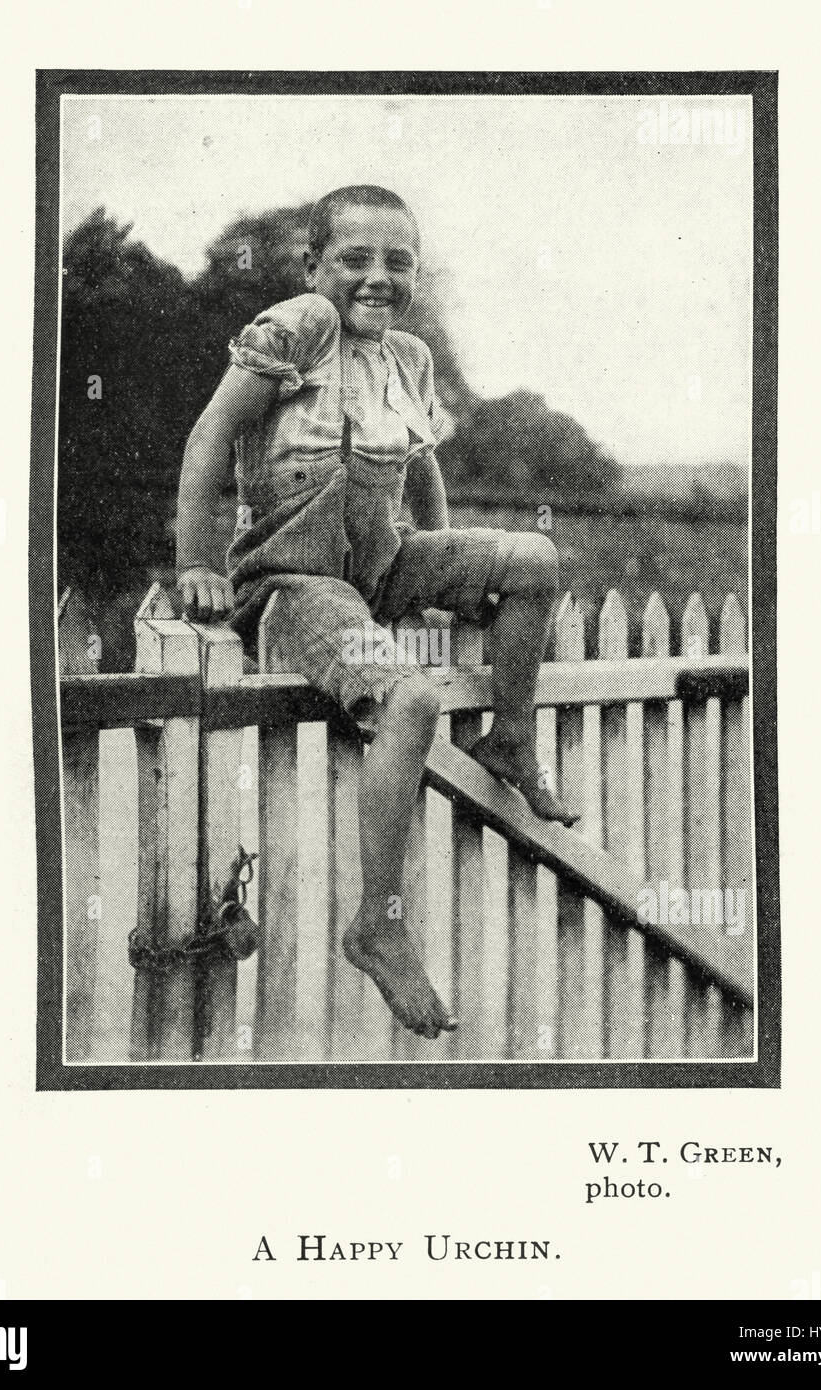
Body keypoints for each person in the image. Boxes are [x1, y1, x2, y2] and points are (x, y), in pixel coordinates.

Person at [176, 185, 577, 1040]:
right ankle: (379, 923)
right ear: (315, 265)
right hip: (294, 583)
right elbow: (209, 437)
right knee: (412, 699)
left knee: (534, 560)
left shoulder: (408, 358)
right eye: (354, 259)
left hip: (380, 567)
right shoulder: (298, 328)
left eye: (397, 261)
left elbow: (422, 467)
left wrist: (447, 568)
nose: (377, 277)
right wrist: (198, 565)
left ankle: (507, 737)